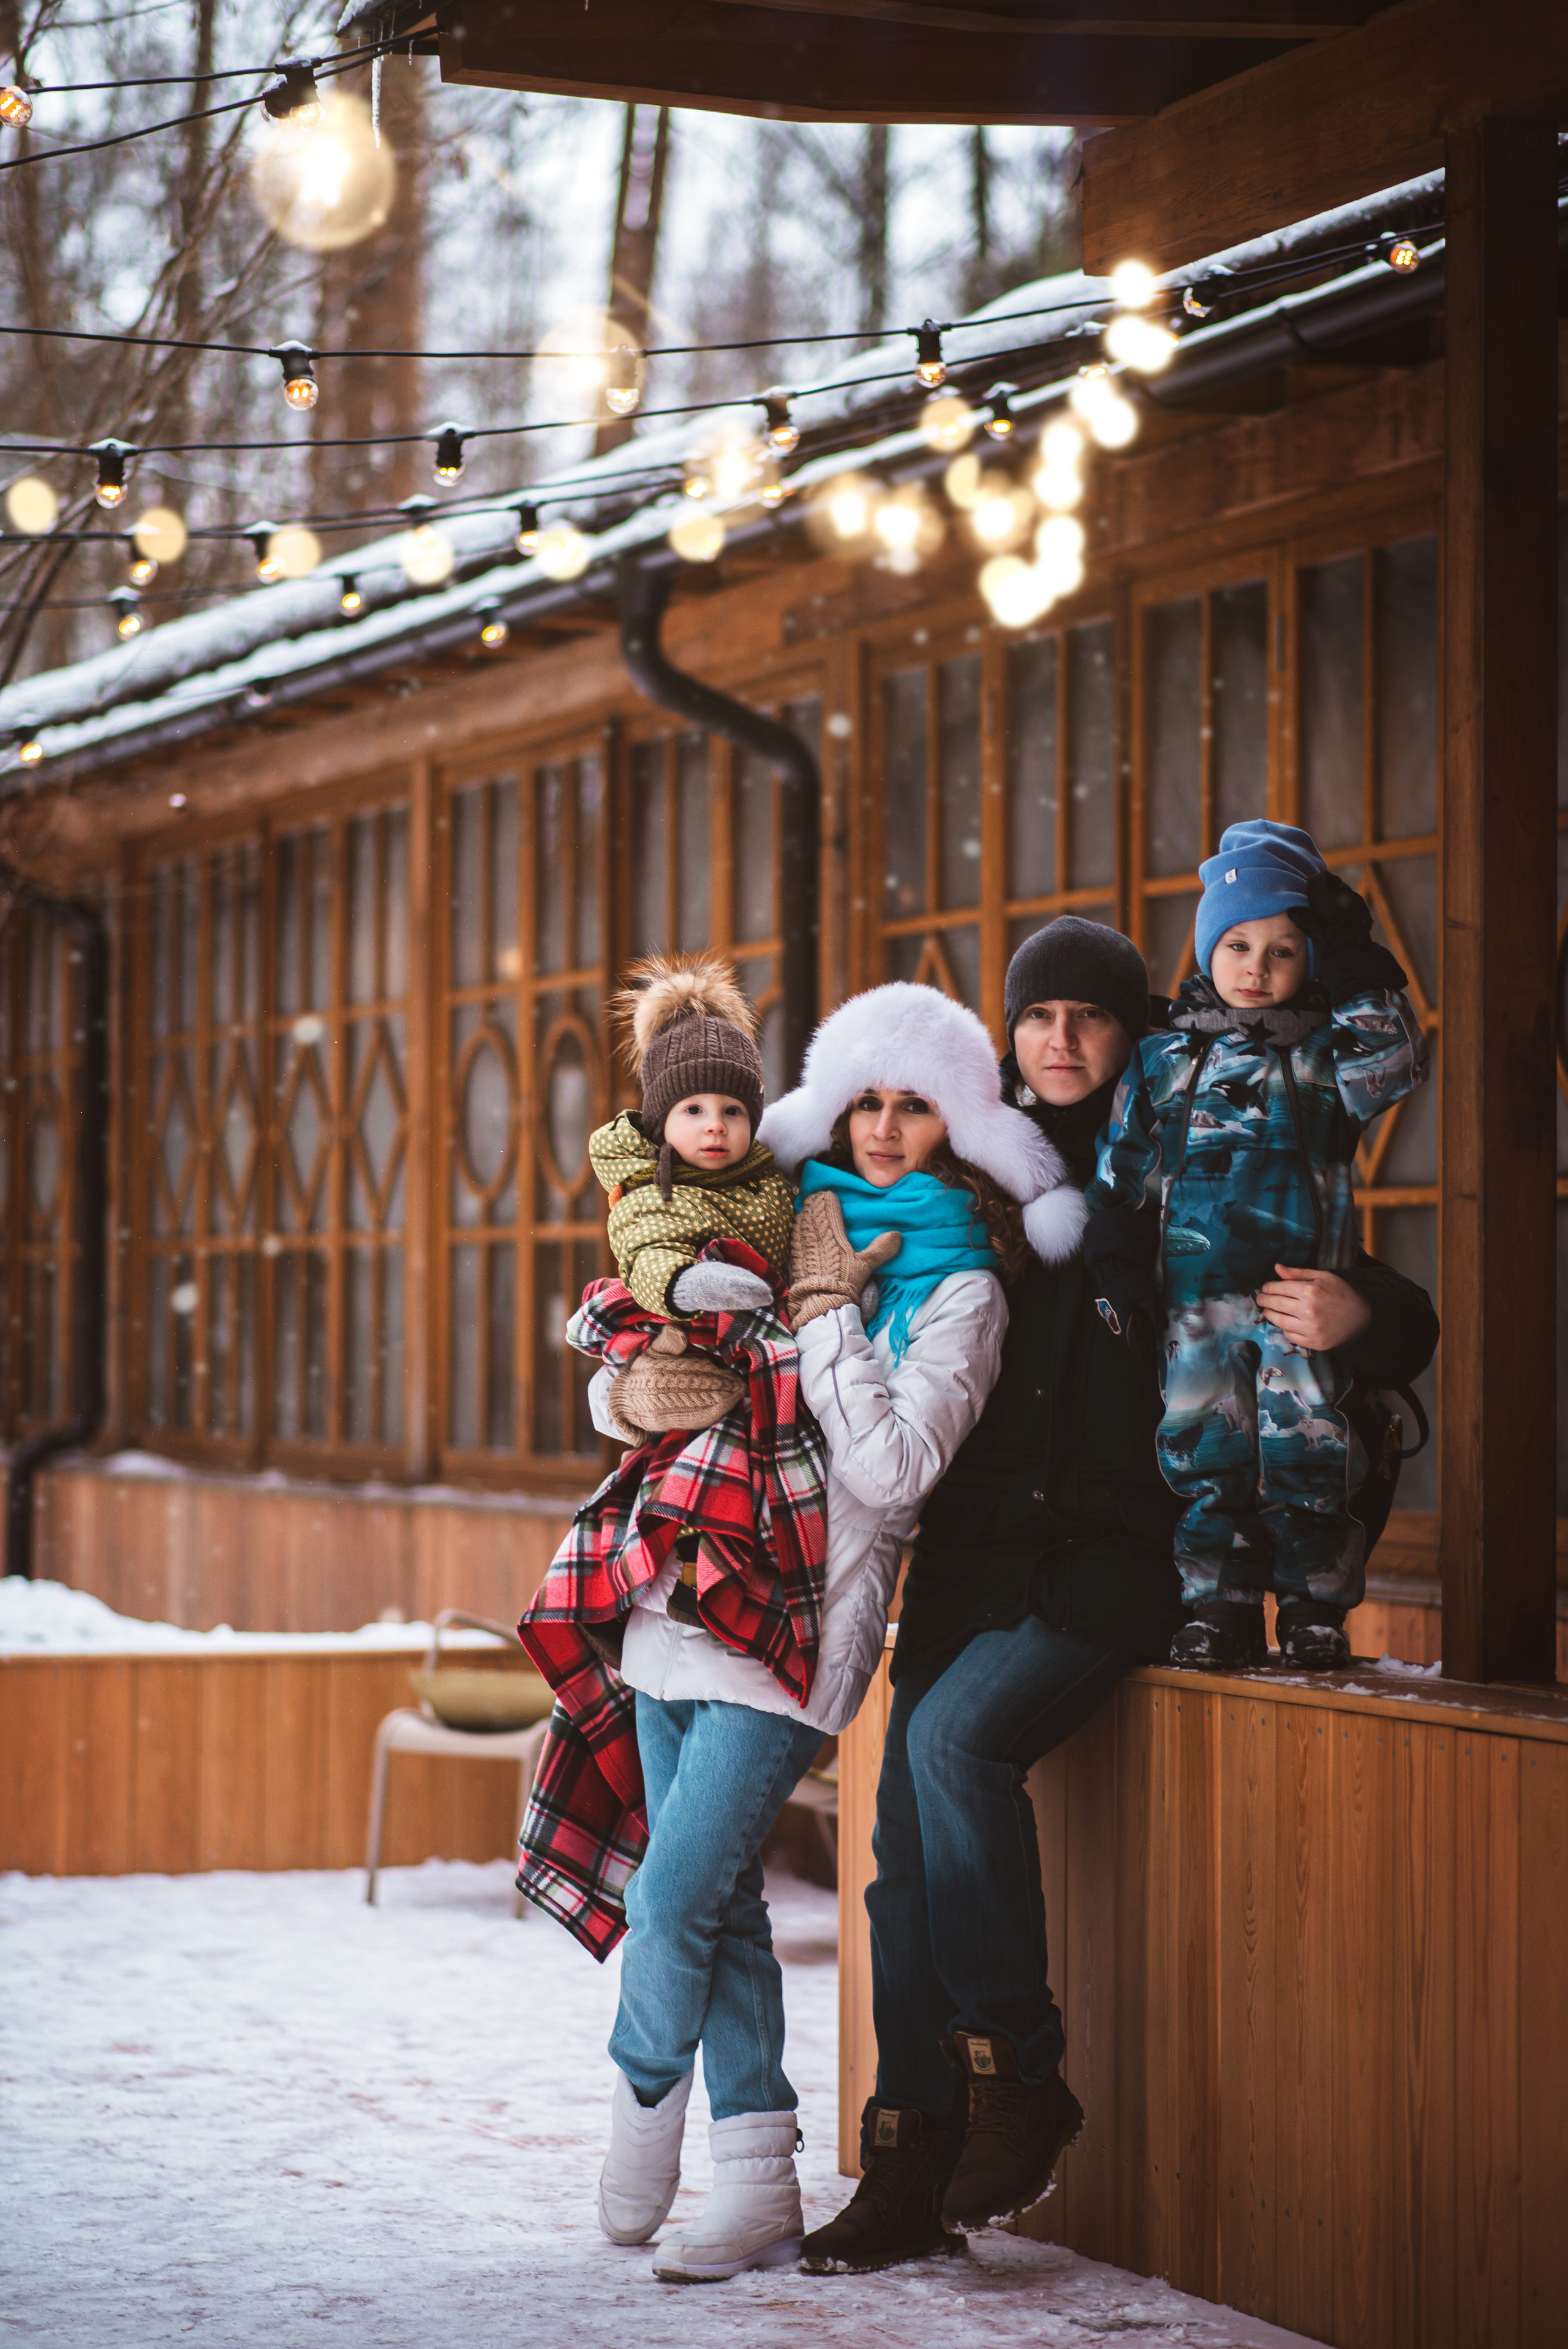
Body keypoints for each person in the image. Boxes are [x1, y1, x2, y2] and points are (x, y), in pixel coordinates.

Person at [799, 915, 1439, 2277]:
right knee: (899, 1863)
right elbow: (794, 1194)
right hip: (972, 1553)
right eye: (1037, 1017)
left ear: (1133, 1030)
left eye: (1090, 1015)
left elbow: (1354, 1277)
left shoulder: (1187, 1140)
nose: (1061, 1040)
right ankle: (908, 2156)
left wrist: (1365, 1315)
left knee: (953, 1743)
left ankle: (1017, 2073)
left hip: (1119, 1555)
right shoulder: (968, 1162)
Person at [538, 980, 1078, 2287]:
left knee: (671, 1899)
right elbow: (669, 1351)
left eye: (914, 1106)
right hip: (676, 1594)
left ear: (956, 1127)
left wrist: (829, 1307)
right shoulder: (785, 1215)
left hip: (794, 1632)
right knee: (719, 1905)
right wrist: (629, 1396)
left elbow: (890, 1473)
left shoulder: (962, 1291)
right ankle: (757, 2182)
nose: (884, 1128)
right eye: (865, 1102)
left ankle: (641, 2098)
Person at [1083, 820, 1429, 1672]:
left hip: (1299, 1303)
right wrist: (1119, 1276)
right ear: (1208, 949)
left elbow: (1395, 1058)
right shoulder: (1165, 1058)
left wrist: (1351, 947)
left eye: (1284, 950)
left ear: (1311, 956)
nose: (1257, 968)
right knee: (1206, 1450)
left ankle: (1315, 1606)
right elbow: (1121, 1179)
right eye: (1237, 945)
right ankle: (1219, 1605)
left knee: (1308, 1446)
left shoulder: (1327, 1056)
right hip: (1196, 1307)